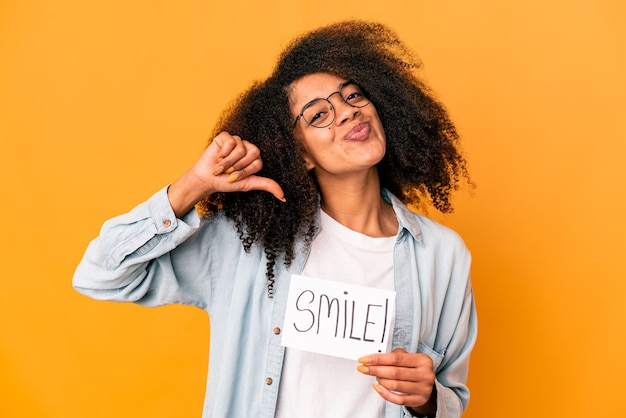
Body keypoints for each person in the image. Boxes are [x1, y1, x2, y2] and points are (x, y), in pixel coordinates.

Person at [73, 20, 477, 418]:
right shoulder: (248, 243)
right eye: (319, 115)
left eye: (353, 96)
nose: (348, 113)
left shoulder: (442, 255)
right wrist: (195, 184)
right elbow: (100, 272)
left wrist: (427, 399)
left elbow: (449, 400)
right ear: (298, 153)